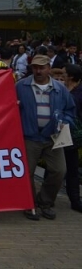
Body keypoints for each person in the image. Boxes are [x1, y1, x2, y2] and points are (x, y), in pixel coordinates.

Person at [16, 54, 76, 221]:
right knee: (26, 172)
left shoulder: (60, 88)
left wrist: (65, 122)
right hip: (30, 136)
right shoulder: (21, 86)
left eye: (42, 67)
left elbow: (70, 110)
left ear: (49, 68)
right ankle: (30, 204)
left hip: (53, 137)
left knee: (59, 170)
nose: (38, 71)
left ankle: (45, 201)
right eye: (35, 67)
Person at [62, 63, 82, 212]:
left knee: (72, 168)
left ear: (71, 76)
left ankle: (75, 200)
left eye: (64, 72)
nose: (62, 74)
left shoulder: (79, 93)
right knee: (55, 168)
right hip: (58, 134)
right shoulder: (62, 89)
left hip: (72, 135)